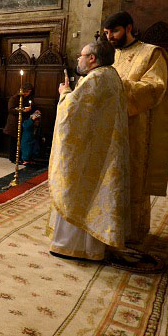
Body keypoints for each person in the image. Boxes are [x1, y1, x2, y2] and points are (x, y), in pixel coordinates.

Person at [49, 40, 130, 261]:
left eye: (81, 55)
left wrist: (65, 92)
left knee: (77, 191)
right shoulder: (111, 76)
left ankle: (72, 246)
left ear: (92, 58)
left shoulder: (96, 79)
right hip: (101, 150)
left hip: (88, 154)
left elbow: (72, 113)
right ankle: (91, 247)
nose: (79, 59)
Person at [103, 11, 168, 244]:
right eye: (106, 33)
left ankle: (130, 233)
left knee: (130, 177)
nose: (110, 37)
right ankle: (105, 228)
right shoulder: (109, 55)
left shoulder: (151, 53)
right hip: (108, 128)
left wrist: (115, 85)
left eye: (114, 31)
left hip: (135, 128)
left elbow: (155, 88)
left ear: (129, 27)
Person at [3, 83, 33, 162]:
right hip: (14, 122)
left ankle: (19, 156)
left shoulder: (27, 98)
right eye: (27, 92)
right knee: (14, 141)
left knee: (20, 141)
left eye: (29, 92)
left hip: (23, 121)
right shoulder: (14, 98)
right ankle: (13, 157)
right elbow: (11, 109)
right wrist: (23, 109)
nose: (28, 94)